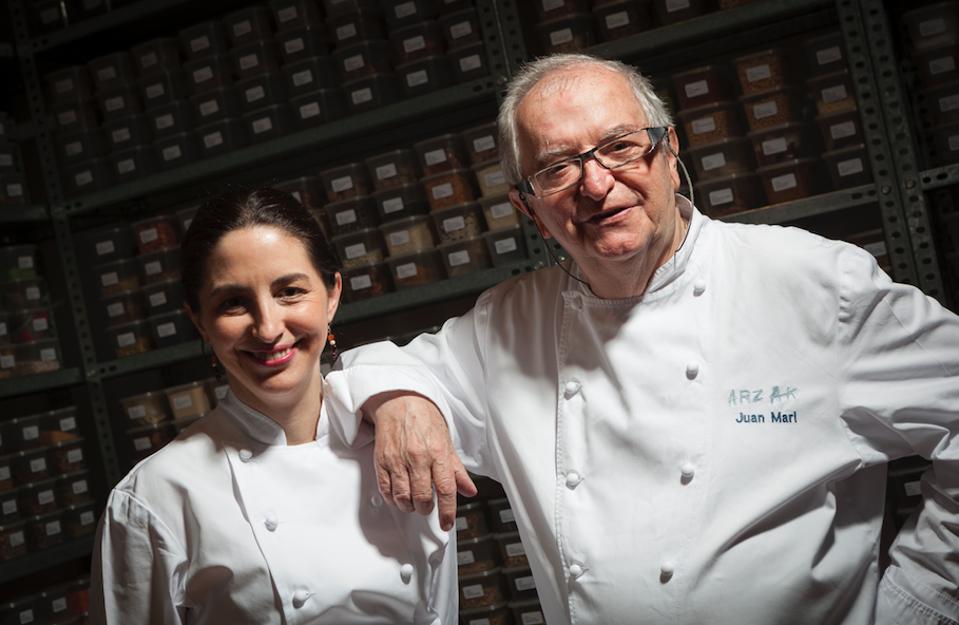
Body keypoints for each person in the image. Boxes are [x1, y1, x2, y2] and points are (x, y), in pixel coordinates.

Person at [325, 54, 959, 624]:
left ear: (670, 151)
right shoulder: (508, 325)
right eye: (556, 168)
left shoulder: (812, 282)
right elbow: (376, 367)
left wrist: (913, 607)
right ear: (529, 209)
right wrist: (401, 398)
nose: (596, 184)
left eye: (620, 147)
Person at [90, 188, 457, 624]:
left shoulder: (406, 447)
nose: (267, 328)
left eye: (289, 291)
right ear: (199, 322)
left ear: (332, 295)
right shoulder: (156, 497)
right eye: (233, 303)